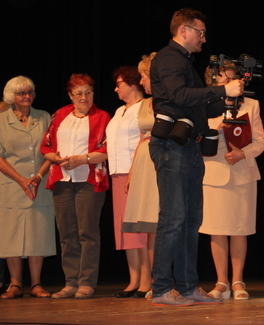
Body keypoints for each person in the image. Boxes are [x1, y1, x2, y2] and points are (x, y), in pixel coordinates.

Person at [149, 8, 244, 306]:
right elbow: (178, 96)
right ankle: (162, 288)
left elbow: (197, 107)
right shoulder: (168, 58)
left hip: (188, 144)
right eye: (200, 33)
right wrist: (220, 89)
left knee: (191, 220)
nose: (204, 39)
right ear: (184, 31)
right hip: (171, 146)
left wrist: (223, 100)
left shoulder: (185, 63)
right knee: (173, 218)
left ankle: (188, 285)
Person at [199, 61, 264, 300]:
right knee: (216, 230)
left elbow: (260, 142)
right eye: (222, 80)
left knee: (239, 229)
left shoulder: (252, 105)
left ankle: (238, 281)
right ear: (214, 83)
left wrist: (242, 153)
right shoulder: (205, 103)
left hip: (242, 172)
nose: (227, 84)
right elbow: (198, 138)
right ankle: (221, 282)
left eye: (231, 79)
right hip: (214, 171)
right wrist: (216, 131)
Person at [41, 73, 110, 299]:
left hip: (89, 179)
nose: (84, 97)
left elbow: (108, 149)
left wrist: (83, 159)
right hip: (62, 180)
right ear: (70, 95)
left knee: (87, 232)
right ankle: (70, 282)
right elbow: (46, 145)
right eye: (79, 93)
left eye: (88, 92)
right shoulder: (60, 115)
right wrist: (56, 158)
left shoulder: (102, 117)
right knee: (67, 233)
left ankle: (87, 282)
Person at [0, 76, 55, 299]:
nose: (27, 96)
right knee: (11, 235)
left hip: (40, 183)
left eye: (30, 92)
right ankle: (15, 284)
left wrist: (39, 176)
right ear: (11, 96)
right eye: (22, 93)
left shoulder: (44, 118)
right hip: (11, 183)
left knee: (37, 232)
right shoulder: (1, 120)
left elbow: (52, 149)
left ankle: (36, 284)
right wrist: (20, 179)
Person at [106, 66, 152, 298]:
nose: (116, 89)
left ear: (133, 84)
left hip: (136, 173)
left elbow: (143, 141)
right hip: (117, 174)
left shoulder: (144, 107)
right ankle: (133, 279)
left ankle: (147, 279)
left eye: (120, 84)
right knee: (124, 229)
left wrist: (134, 171)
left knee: (139, 228)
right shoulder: (118, 111)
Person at [122, 52, 158, 299]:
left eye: (144, 76)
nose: (142, 82)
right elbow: (140, 139)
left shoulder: (171, 100)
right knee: (145, 225)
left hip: (161, 161)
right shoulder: (145, 104)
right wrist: (133, 170)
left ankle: (159, 279)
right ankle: (150, 279)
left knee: (157, 224)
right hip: (144, 161)